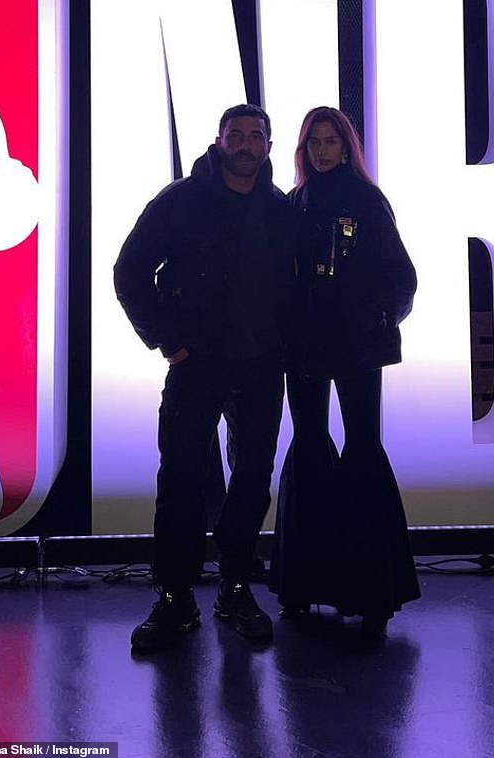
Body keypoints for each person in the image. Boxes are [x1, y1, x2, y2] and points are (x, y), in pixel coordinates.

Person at [114, 104, 296, 652]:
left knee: (250, 482)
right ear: (218, 141)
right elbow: (129, 272)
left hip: (262, 366)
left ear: (267, 145)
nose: (244, 144)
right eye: (235, 135)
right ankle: (174, 599)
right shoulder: (182, 201)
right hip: (198, 366)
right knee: (181, 482)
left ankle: (235, 589)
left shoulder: (282, 210)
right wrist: (170, 342)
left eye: (255, 136)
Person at [269, 106, 421, 640]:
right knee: (309, 443)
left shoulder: (368, 203)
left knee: (360, 447)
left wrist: (375, 319)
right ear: (303, 147)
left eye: (330, 141)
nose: (322, 150)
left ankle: (370, 590)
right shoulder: (293, 206)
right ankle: (303, 583)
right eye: (314, 141)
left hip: (354, 344)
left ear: (346, 146)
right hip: (305, 344)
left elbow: (401, 277)